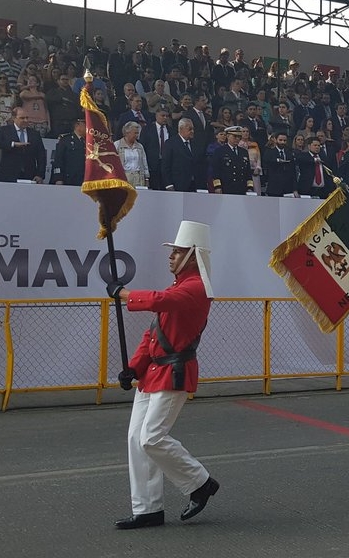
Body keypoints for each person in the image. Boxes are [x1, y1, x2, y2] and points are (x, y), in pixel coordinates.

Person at [107, 220, 219, 529]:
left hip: (175, 372)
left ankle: (200, 482)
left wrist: (127, 295)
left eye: (177, 252)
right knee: (136, 439)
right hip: (155, 372)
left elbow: (160, 301)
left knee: (152, 437)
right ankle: (147, 509)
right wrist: (134, 367)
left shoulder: (197, 288)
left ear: (193, 255)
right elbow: (154, 334)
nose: (171, 257)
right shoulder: (179, 286)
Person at [0, 107, 47, 183]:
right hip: (8, 176)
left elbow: (41, 156)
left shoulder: (34, 134)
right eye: (22, 118)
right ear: (14, 118)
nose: (26, 120)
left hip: (30, 176)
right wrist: (13, 144)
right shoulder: (4, 131)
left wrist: (40, 174)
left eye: (27, 118)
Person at [161, 118, 202, 192]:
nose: (192, 131)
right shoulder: (171, 143)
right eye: (190, 129)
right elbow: (165, 166)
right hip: (178, 185)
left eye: (193, 129)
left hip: (194, 185)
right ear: (181, 129)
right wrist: (168, 184)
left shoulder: (196, 143)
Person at [211, 125, 254, 195]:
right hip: (226, 187)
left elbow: (248, 172)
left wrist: (250, 187)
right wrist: (217, 187)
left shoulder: (244, 152)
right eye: (235, 136)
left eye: (239, 137)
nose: (237, 139)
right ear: (228, 136)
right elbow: (216, 171)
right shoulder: (220, 151)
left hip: (241, 188)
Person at [50, 118, 86, 186]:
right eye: (85, 125)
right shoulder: (65, 140)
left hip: (82, 179)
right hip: (68, 179)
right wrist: (58, 178)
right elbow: (58, 160)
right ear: (77, 126)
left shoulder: (87, 142)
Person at [115, 121, 150, 187]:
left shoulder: (140, 146)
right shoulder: (117, 145)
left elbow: (144, 163)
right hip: (123, 178)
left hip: (138, 178)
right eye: (135, 133)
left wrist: (147, 178)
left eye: (138, 133)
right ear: (127, 133)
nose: (137, 135)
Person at [262, 131, 298, 197]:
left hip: (287, 188)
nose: (282, 142)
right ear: (275, 140)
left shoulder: (289, 153)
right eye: (280, 140)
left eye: (284, 140)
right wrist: (277, 161)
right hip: (274, 187)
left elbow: (293, 172)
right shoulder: (269, 152)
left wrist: (295, 189)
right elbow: (266, 162)